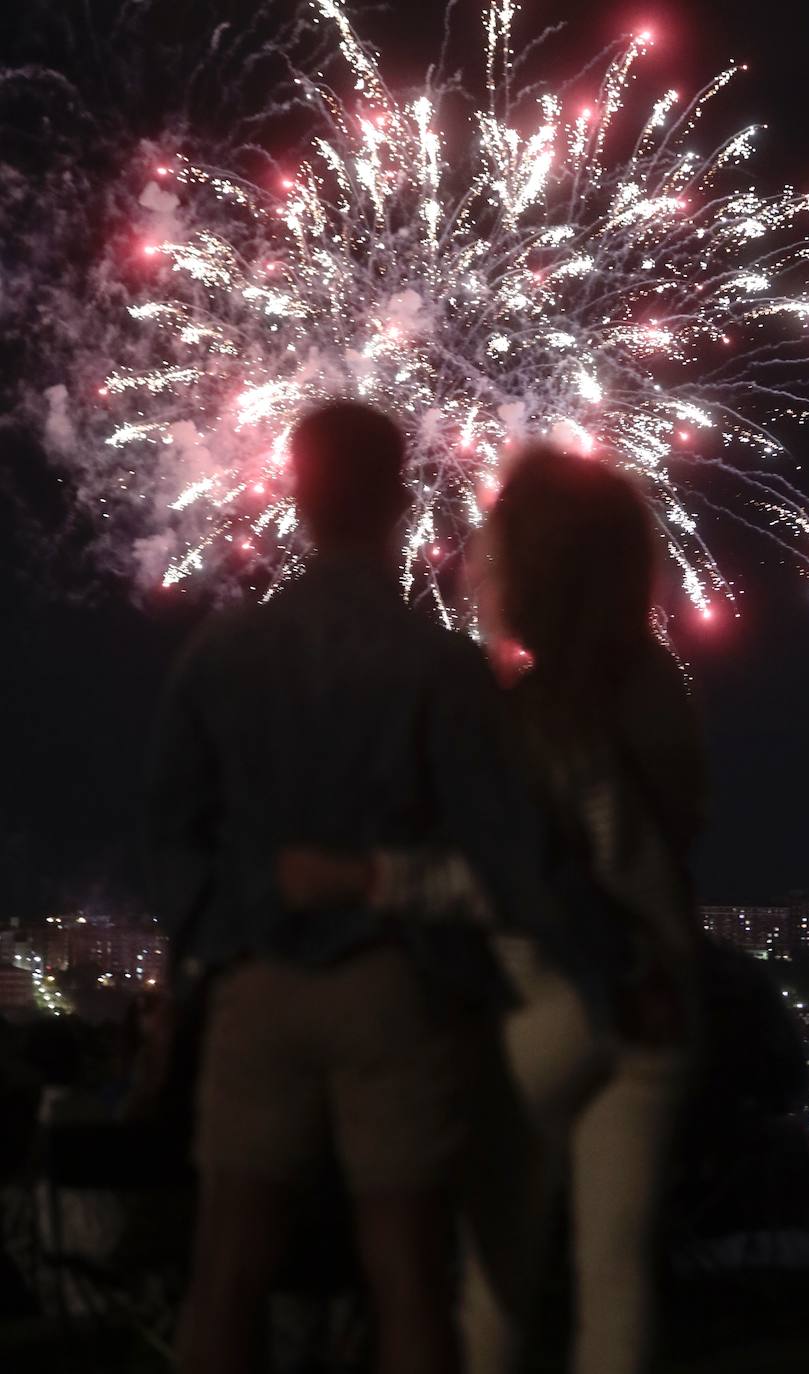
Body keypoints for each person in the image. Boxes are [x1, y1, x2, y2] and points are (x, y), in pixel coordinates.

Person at [147, 402, 568, 1374]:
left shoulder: (223, 654)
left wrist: (232, 930)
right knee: (410, 1280)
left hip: (259, 984)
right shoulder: (446, 668)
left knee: (227, 1274)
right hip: (397, 985)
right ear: (401, 501)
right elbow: (507, 854)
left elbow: (171, 831)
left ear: (297, 500)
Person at [280, 443, 706, 1374]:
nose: (470, 564)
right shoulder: (653, 689)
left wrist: (365, 879)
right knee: (615, 1284)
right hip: (663, 1006)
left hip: (560, 999)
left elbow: (522, 882)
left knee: (487, 1286)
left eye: (492, 549)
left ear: (537, 569)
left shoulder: (542, 717)